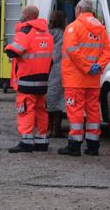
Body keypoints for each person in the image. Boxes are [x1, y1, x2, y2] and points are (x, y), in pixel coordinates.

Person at [58, 0, 110, 156]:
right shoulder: (101, 29)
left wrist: (87, 68)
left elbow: (73, 51)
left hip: (75, 79)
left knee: (75, 112)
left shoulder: (73, 28)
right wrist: (98, 66)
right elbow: (107, 52)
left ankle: (74, 145)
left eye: (75, 9)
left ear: (79, 9)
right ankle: (93, 145)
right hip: (93, 81)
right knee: (93, 111)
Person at [4, 6, 54, 153]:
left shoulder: (25, 31)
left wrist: (7, 47)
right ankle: (41, 140)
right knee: (41, 109)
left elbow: (15, 50)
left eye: (23, 14)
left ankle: (26, 141)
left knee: (25, 108)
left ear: (27, 15)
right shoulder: (46, 32)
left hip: (27, 78)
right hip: (43, 79)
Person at [47, 10, 66, 138]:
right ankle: (56, 130)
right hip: (59, 70)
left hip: (46, 70)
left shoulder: (46, 34)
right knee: (58, 100)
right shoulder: (63, 35)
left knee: (48, 100)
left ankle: (48, 129)